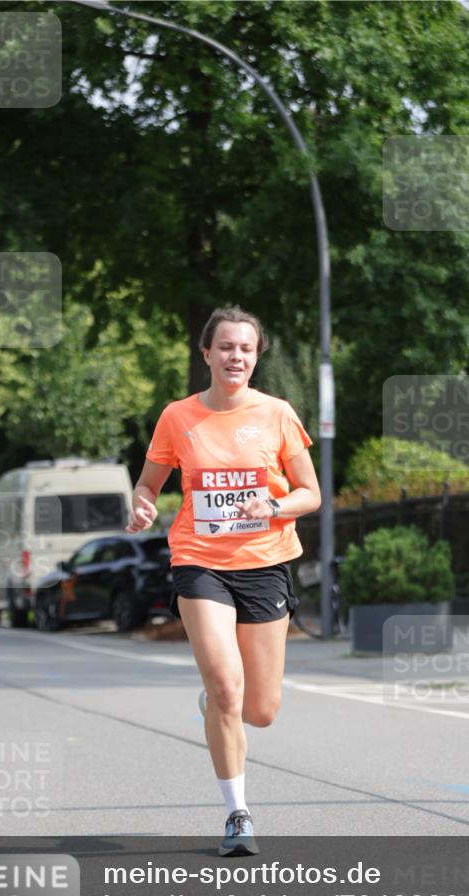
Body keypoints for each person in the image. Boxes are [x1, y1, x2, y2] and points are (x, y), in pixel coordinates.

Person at [126, 305, 321, 856]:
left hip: (265, 563)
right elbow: (148, 485)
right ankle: (238, 814)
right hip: (199, 561)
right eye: (227, 347)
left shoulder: (278, 413)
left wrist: (277, 504)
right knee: (226, 687)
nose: (236, 356)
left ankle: (219, 702)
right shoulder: (177, 417)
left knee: (260, 709)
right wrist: (142, 506)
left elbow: (311, 493)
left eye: (247, 349)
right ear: (206, 352)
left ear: (256, 357)